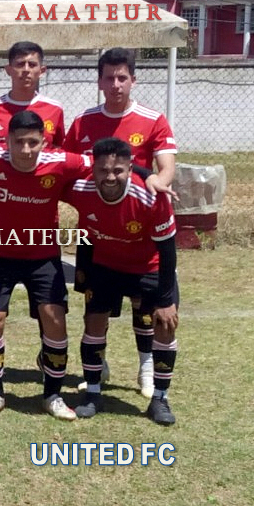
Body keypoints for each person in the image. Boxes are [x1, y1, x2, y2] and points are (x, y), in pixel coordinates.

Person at [0, 110, 91, 421]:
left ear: (44, 141)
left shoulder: (61, 161)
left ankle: (52, 395)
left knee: (54, 318)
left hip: (43, 257)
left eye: (33, 142)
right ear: (7, 141)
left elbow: (103, 164)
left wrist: (148, 176)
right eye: (19, 142)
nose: (26, 150)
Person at [63, 47, 177, 398]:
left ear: (133, 80)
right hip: (94, 232)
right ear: (99, 81)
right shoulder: (83, 122)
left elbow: (166, 168)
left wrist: (155, 181)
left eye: (122, 78)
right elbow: (71, 168)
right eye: (109, 78)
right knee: (94, 305)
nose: (116, 85)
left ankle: (146, 365)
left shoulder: (152, 120)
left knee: (144, 306)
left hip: (138, 229)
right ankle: (98, 365)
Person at [62, 137, 180, 425]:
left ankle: (160, 399)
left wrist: (166, 301)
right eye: (103, 170)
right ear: (93, 169)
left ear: (130, 168)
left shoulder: (151, 196)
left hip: (148, 267)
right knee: (93, 323)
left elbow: (168, 250)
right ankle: (92, 393)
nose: (110, 177)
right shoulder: (81, 189)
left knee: (165, 324)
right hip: (105, 265)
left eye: (118, 170)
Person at [0, 41, 64, 147]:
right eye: (20, 64)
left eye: (32, 65)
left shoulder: (55, 109)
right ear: (8, 70)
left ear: (42, 71)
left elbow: (59, 148)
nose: (26, 70)